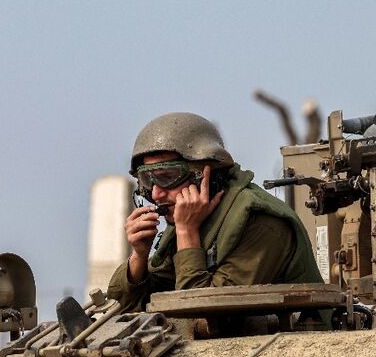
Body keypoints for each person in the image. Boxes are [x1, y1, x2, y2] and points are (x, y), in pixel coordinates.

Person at [107, 112, 324, 312]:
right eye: (147, 180)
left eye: (166, 177)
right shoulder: (194, 219)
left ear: (203, 174)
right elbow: (121, 306)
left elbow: (204, 314)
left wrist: (187, 233)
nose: (155, 194)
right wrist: (139, 256)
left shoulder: (260, 222)